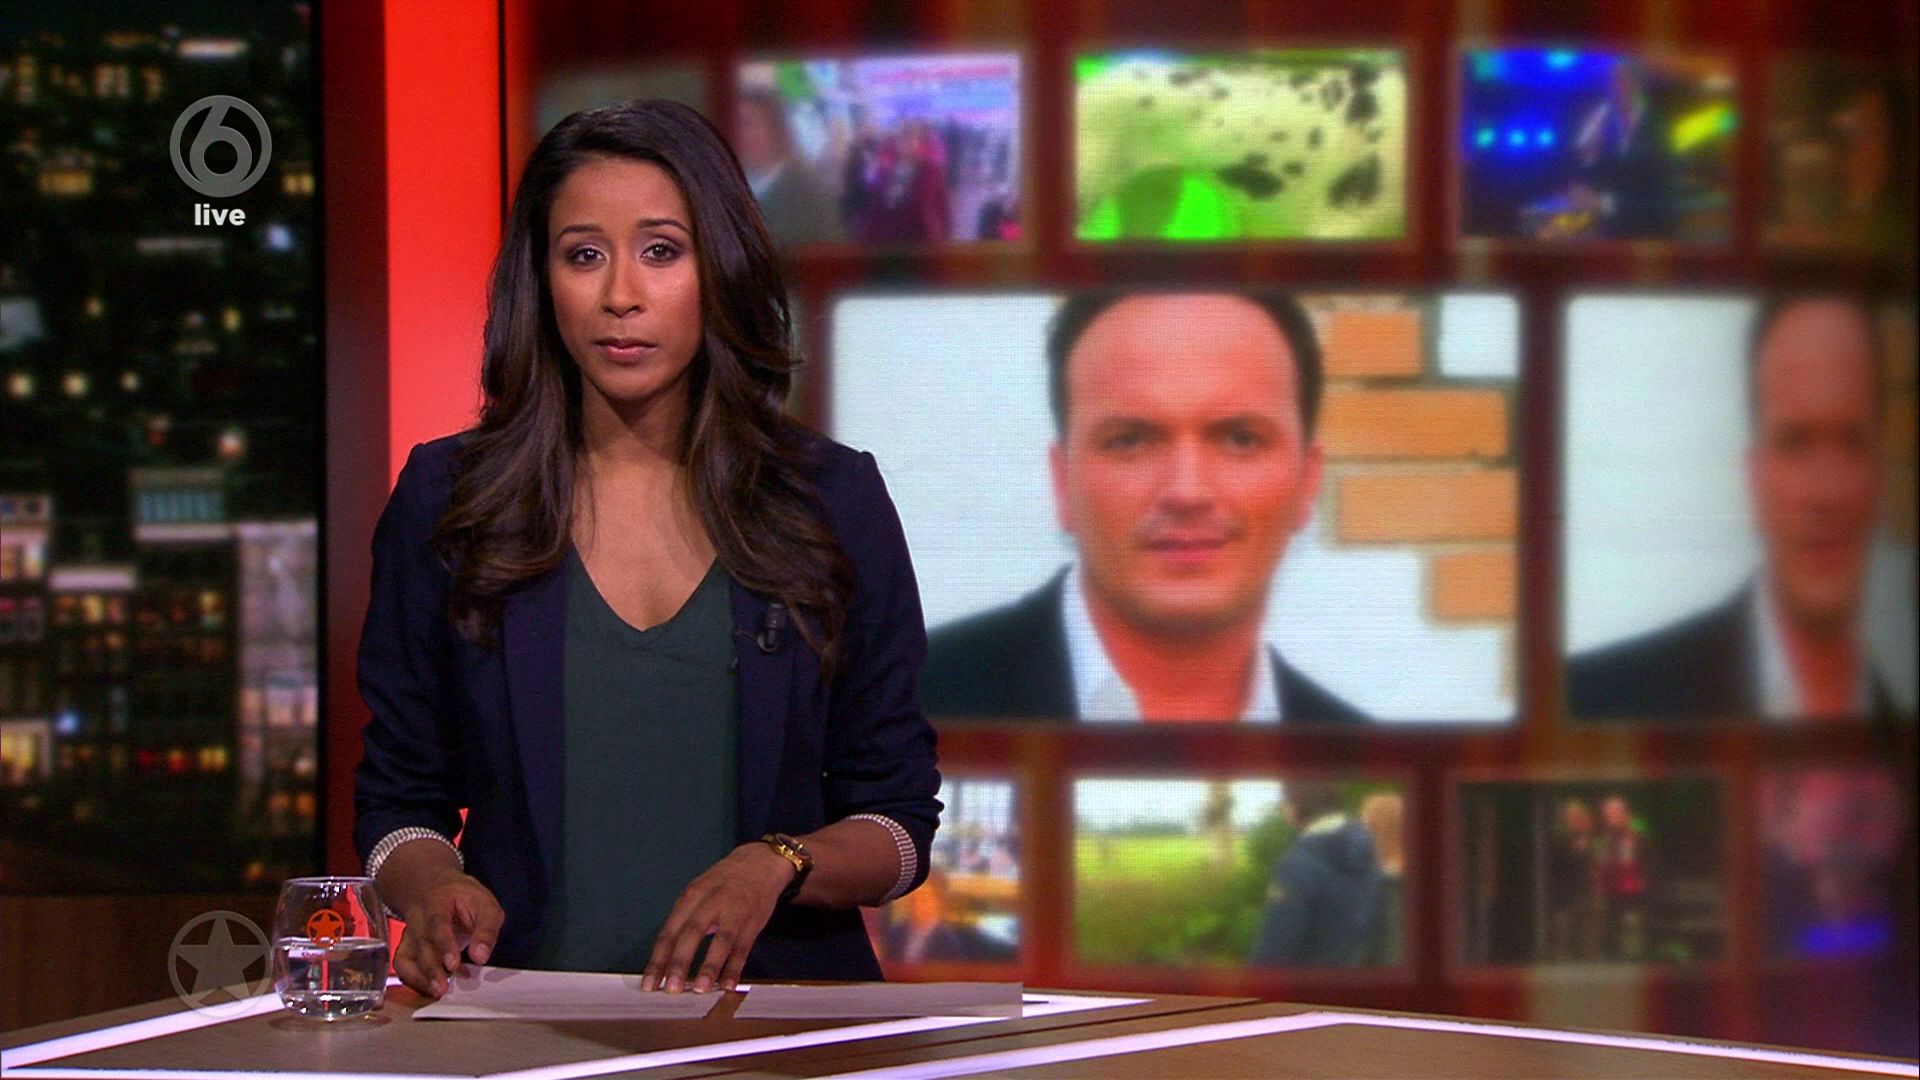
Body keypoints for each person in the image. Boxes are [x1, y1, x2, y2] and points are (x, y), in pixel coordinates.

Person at [352, 99, 942, 1001]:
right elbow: (399, 803)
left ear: (720, 267)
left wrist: (778, 863)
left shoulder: (830, 500)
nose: (620, 295)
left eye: (662, 251)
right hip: (520, 1023)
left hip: (774, 1031)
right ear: (542, 280)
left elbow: (898, 826)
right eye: (584, 255)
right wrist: (432, 889)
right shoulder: (451, 499)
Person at [921, 290, 1370, 723]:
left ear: (1307, 481)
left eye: (1240, 439)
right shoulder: (899, 706)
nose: (1187, 492)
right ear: (1063, 483)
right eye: (1130, 441)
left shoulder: (1359, 754)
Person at [1568, 294, 1898, 723]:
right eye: (1794, 443)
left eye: (1852, 442)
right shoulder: (1593, 701)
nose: (1824, 493)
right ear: (1754, 479)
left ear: (1880, 478)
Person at [1248, 782, 1385, 966]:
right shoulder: (1370, 852)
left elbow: (1277, 943)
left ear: (1295, 806)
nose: (1283, 809)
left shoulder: (1299, 863)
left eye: (1285, 803)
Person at [1565, 56, 1677, 239]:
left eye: (1621, 80)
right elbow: (1605, 178)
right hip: (1614, 234)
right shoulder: (1608, 127)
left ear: (1637, 84)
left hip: (1649, 236)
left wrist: (1603, 203)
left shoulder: (1660, 129)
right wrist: (1588, 159)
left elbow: (1660, 200)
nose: (1615, 89)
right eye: (1610, 83)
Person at [733, 87, 844, 245]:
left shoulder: (810, 195)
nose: (739, 134)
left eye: (747, 123)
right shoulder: (729, 185)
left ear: (775, 129)